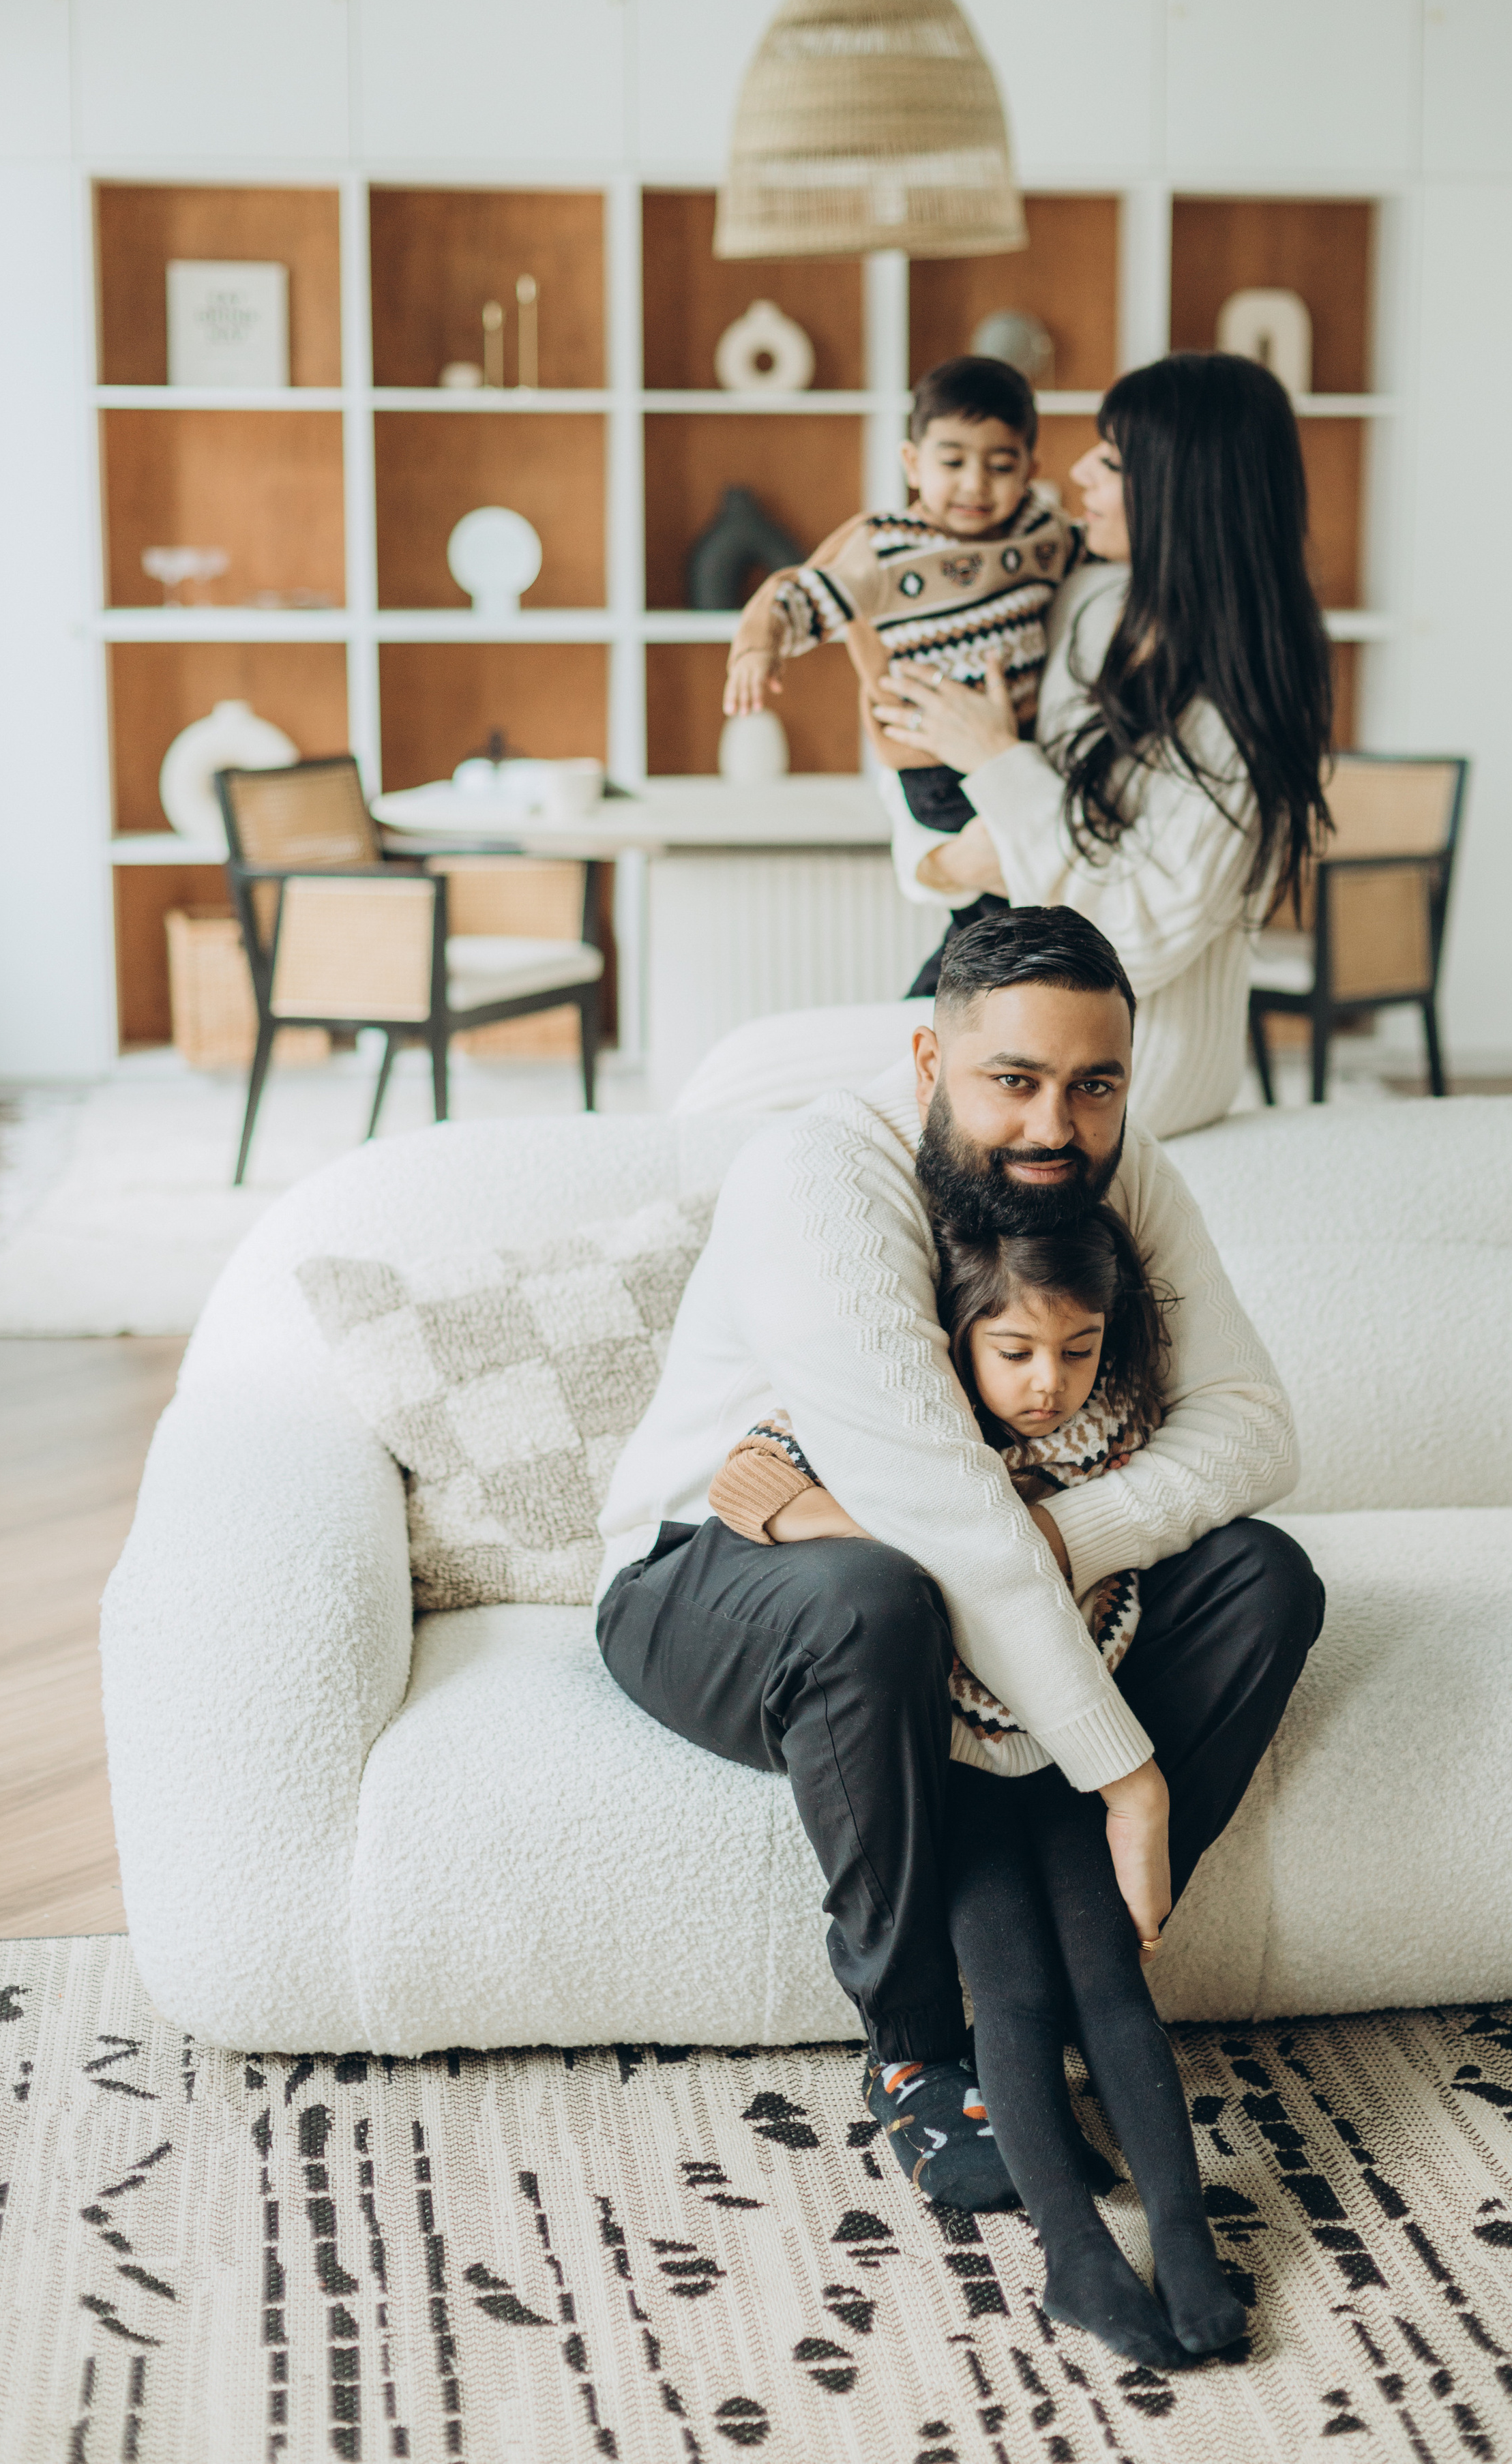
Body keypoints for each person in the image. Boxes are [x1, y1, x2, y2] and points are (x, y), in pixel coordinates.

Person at [594, 906, 1322, 2218]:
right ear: (932, 1065)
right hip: (717, 1569)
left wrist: (1067, 1534)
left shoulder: (1118, 1168)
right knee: (874, 1598)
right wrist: (1131, 1776)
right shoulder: (819, 1175)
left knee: (1263, 1577)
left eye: (1094, 1085)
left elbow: (1255, 1427)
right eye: (1015, 1082)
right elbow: (933, 1517)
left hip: (993, 1562)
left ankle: (1068, 1941)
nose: (1057, 1125)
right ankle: (923, 2052)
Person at [709, 1206, 1245, 2365]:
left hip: (1069, 1749)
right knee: (1008, 1992)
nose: (1046, 1383)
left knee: (1108, 1984)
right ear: (960, 1338)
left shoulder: (1115, 1435)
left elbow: (1194, 1491)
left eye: (1077, 1350)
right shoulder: (902, 1428)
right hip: (953, 1767)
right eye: (1015, 1352)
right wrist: (930, 1545)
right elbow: (743, 1484)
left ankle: (1190, 2238)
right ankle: (1074, 2254)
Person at [872, 352, 1333, 1136]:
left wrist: (999, 768)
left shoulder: (1242, 702)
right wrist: (944, 862)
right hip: (1014, 998)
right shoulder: (1086, 600)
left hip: (1138, 1057)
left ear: (1183, 491)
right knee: (749, 1072)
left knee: (769, 1097)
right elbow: (929, 750)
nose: (1079, 471)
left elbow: (1139, 936)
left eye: (1112, 459)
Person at [722, 355, 1083, 942]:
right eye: (952, 462)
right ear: (913, 464)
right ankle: (948, 1006)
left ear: (1030, 469)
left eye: (999, 465)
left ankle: (946, 1001)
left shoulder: (1042, 533)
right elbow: (803, 594)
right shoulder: (886, 548)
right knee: (1002, 919)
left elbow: (1108, 558)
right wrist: (758, 649)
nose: (974, 483)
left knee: (1009, 915)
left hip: (1017, 751)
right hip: (934, 762)